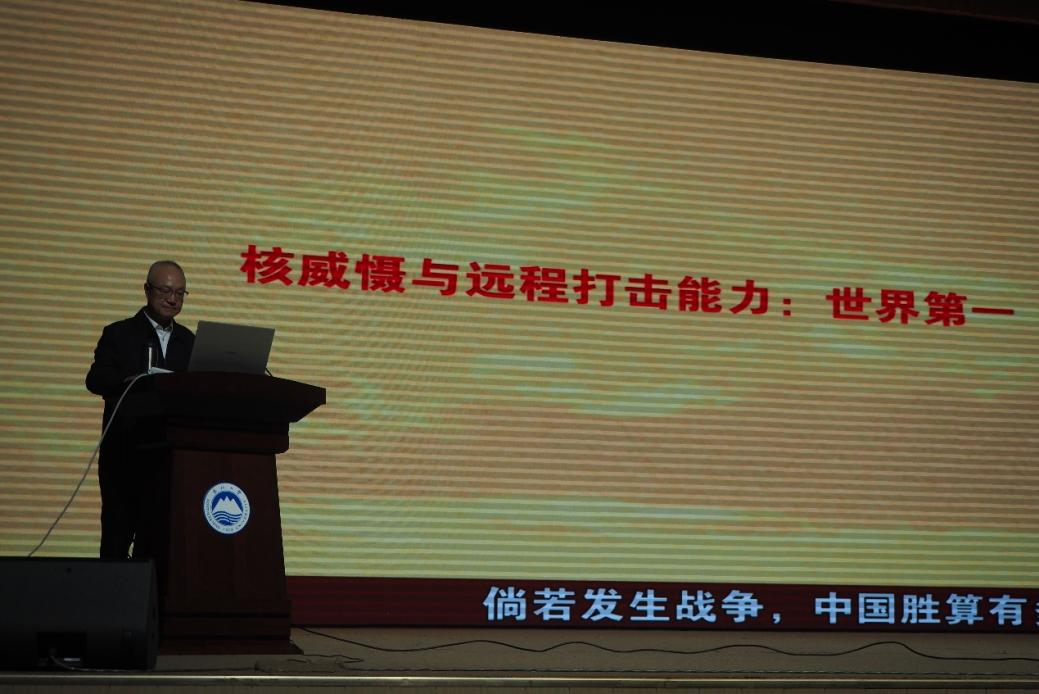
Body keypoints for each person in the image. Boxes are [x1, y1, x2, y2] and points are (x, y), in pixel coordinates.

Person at [85, 260, 195, 559]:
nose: (172, 299)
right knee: (117, 540)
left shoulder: (189, 341)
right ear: (147, 290)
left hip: (170, 458)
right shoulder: (119, 334)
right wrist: (133, 381)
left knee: (160, 544)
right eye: (165, 291)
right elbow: (95, 380)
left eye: (180, 293)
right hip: (125, 454)